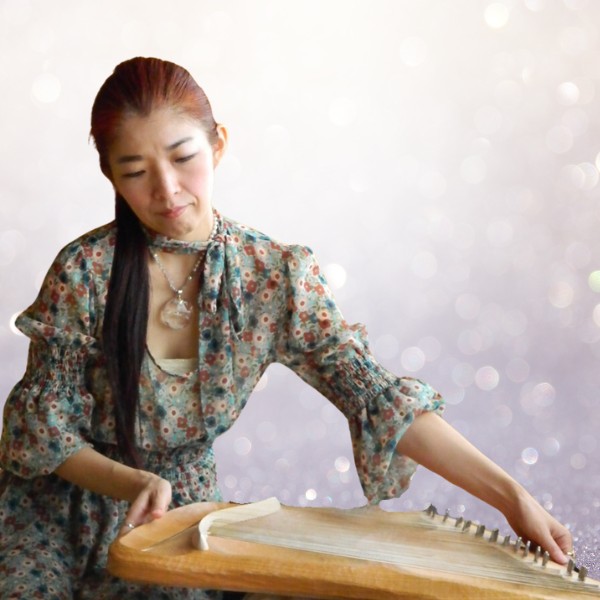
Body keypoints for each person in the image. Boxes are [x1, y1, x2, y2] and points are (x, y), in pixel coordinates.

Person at [0, 57, 573, 599]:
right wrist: (134, 482)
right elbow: (41, 432)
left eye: (182, 157)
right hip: (54, 512)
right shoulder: (85, 272)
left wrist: (512, 498)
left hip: (178, 518)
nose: (167, 189)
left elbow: (376, 398)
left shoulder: (271, 276)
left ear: (218, 144)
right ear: (110, 175)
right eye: (135, 171)